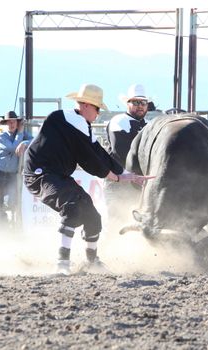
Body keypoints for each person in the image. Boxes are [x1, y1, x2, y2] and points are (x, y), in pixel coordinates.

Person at [23, 83, 153, 275]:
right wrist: (117, 177)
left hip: (56, 174)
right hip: (40, 174)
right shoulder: (71, 121)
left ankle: (92, 261)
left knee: (92, 215)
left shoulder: (77, 122)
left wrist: (123, 173)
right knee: (72, 206)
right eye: (97, 108)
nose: (98, 113)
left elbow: (97, 152)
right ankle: (62, 262)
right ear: (85, 105)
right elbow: (90, 159)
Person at [104, 84, 150, 226]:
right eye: (136, 102)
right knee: (117, 220)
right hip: (119, 179)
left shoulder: (149, 124)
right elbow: (121, 152)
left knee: (140, 222)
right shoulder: (119, 121)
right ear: (127, 103)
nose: (140, 106)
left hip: (139, 181)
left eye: (143, 103)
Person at [0, 111, 32, 226]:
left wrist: (25, 142)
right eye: (9, 122)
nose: (12, 124)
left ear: (17, 123)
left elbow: (35, 141)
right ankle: (0, 230)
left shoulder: (22, 135)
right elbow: (13, 147)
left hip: (12, 174)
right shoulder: (1, 136)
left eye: (14, 122)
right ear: (5, 124)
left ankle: (10, 227)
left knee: (13, 201)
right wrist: (21, 134)